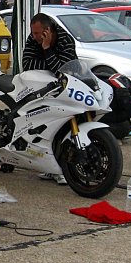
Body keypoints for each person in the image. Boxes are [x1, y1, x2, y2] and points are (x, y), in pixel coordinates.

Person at [21, 12, 78, 185]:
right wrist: (51, 64)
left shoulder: (66, 41)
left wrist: (46, 49)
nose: (34, 37)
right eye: (33, 33)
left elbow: (64, 70)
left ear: (48, 31)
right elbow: (27, 65)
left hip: (63, 89)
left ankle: (59, 165)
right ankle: (48, 165)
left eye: (38, 33)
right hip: (38, 89)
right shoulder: (33, 39)